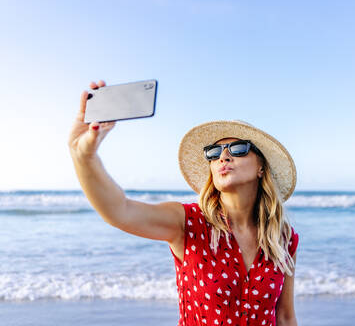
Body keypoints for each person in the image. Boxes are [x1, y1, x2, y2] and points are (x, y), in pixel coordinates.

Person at [68, 80, 299, 326]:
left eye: (238, 148)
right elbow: (119, 210)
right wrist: (84, 157)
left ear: (261, 167)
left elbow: (285, 317)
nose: (223, 156)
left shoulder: (283, 237)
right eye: (214, 152)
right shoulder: (188, 223)